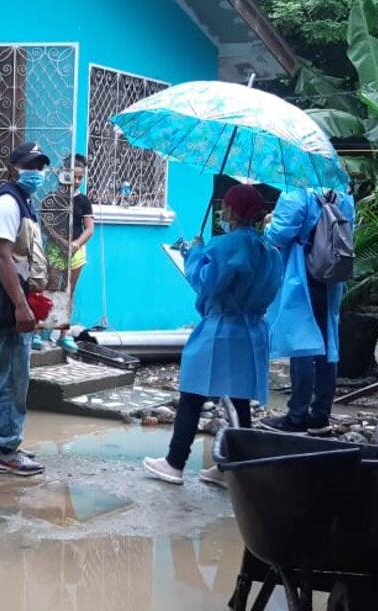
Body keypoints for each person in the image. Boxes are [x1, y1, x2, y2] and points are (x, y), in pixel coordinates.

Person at [144, 184, 283, 486]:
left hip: (221, 329)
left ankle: (175, 462)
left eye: (225, 206)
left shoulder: (227, 245)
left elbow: (207, 283)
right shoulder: (270, 251)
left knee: (193, 393)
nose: (222, 211)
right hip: (253, 330)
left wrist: (193, 254)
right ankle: (231, 468)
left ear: (231, 210)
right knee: (239, 399)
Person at [258, 187, 356, 435]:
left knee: (301, 342)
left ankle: (297, 415)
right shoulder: (343, 196)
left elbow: (278, 236)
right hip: (332, 276)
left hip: (301, 275)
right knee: (326, 344)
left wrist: (268, 223)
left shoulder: (296, 194)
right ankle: (321, 415)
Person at [0, 141, 51, 476]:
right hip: (9, 304)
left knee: (11, 372)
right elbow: (3, 255)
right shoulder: (7, 203)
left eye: (40, 166)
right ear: (13, 167)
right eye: (30, 165)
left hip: (19, 302)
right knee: (11, 375)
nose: (36, 172)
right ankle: (7, 450)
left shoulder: (24, 203)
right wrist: (21, 307)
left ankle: (3, 442)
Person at [39, 153, 95, 353]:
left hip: (76, 252)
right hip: (55, 249)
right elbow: (46, 226)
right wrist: (62, 243)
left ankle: (63, 334)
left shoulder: (83, 201)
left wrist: (75, 245)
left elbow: (89, 229)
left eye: (80, 177)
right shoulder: (51, 199)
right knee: (51, 289)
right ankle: (38, 332)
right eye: (73, 177)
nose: (77, 181)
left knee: (68, 291)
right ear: (62, 174)